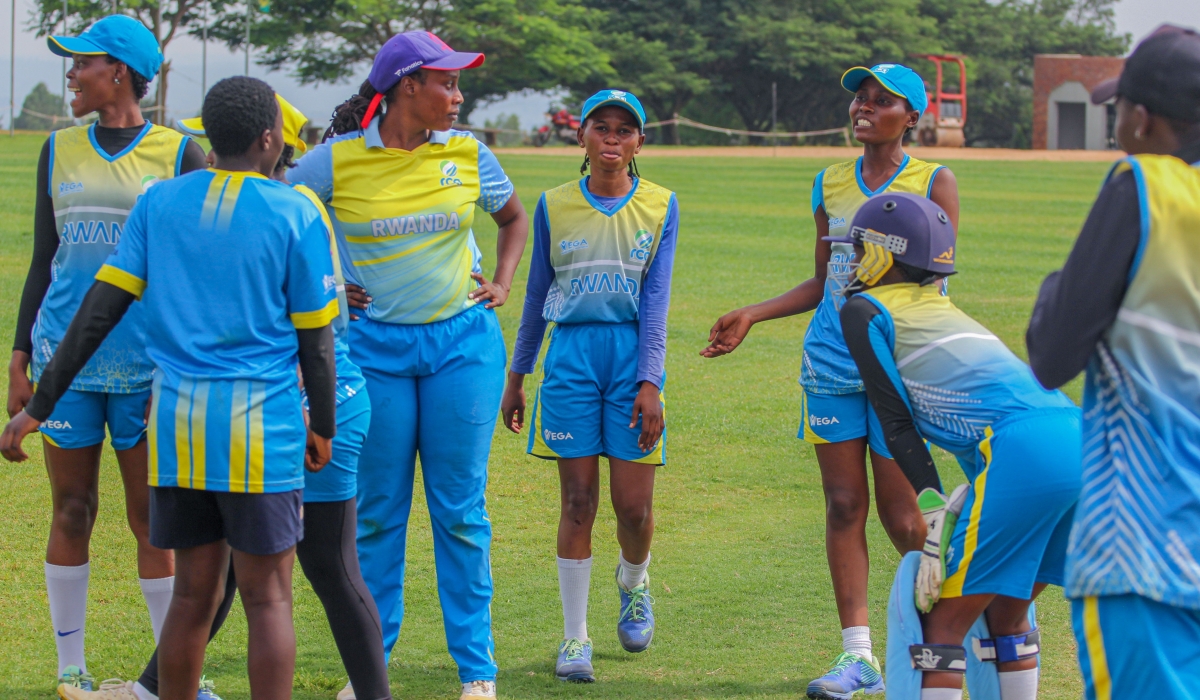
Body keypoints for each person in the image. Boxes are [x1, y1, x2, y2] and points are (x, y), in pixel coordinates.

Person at [1, 75, 340, 700]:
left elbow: (97, 310)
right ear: (270, 138)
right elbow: (316, 340)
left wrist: (38, 406)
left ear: (208, 136)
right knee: (268, 598)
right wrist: (322, 423)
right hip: (261, 427)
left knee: (190, 594)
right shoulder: (295, 211)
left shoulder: (159, 203)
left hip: (179, 428)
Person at [700, 62, 959, 699]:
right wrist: (753, 315)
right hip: (831, 362)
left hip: (895, 366)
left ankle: (943, 642)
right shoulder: (829, 181)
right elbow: (825, 279)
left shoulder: (934, 180)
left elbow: (939, 281)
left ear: (911, 116)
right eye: (859, 100)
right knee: (844, 505)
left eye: (881, 101)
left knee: (905, 520)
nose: (863, 108)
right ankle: (860, 657)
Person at [286, 30, 528, 700]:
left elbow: (513, 219)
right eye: (446, 83)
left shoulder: (469, 153)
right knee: (379, 514)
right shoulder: (337, 162)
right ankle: (374, 667)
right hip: (374, 353)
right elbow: (283, 218)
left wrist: (502, 282)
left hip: (463, 349)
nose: (457, 96)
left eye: (458, 85)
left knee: (460, 512)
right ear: (405, 88)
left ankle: (477, 671)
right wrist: (332, 277)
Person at [5, 14, 207, 690]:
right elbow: (44, 260)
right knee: (72, 510)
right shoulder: (57, 150)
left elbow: (193, 273)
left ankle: (166, 676)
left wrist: (180, 361)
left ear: (118, 71)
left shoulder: (180, 155)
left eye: (81, 63)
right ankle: (73, 669)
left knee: (153, 522)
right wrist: (18, 357)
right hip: (67, 366)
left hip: (150, 369)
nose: (70, 75)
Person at [831, 192, 1081, 700]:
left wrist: (931, 500)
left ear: (885, 253)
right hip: (1081, 438)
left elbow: (895, 420)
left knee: (939, 626)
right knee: (1006, 613)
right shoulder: (943, 308)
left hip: (1024, 449)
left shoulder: (864, 308)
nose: (852, 261)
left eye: (858, 250)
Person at [1026, 26, 1200, 700]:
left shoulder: (1140, 183)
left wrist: (1054, 288)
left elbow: (1051, 353)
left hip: (1142, 547)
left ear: (1142, 118)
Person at [499, 89, 677, 683]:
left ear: (639, 143)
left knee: (634, 505)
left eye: (624, 130)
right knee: (577, 502)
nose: (612, 139)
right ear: (581, 136)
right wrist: (517, 376)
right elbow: (535, 298)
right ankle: (575, 640)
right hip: (571, 360)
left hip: (630, 359)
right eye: (601, 127)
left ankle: (634, 582)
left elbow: (656, 302)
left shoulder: (660, 205)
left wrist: (650, 380)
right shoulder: (553, 204)